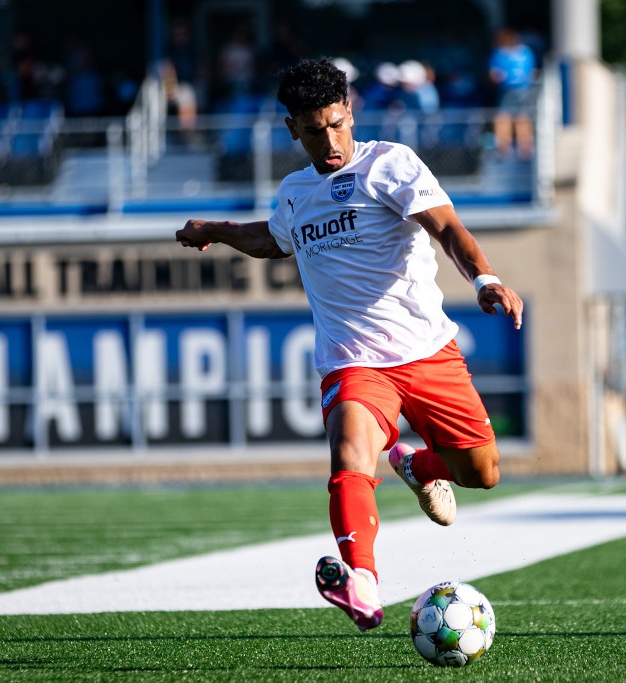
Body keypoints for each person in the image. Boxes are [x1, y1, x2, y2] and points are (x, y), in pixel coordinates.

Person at [175, 58, 523, 632]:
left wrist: (485, 279)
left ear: (350, 113)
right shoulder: (295, 193)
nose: (330, 140)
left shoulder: (389, 164)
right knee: (350, 454)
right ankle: (362, 580)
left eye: (337, 124)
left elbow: (447, 228)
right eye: (315, 130)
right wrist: (216, 230)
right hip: (354, 362)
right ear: (293, 129)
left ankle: (417, 464)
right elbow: (273, 239)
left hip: (427, 351)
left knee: (482, 472)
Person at [487, 27, 538, 159]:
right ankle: (525, 148)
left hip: (508, 90)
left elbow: (494, 75)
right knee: (523, 117)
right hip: (525, 89)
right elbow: (532, 72)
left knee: (503, 117)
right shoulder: (526, 52)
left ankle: (503, 148)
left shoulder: (499, 54)